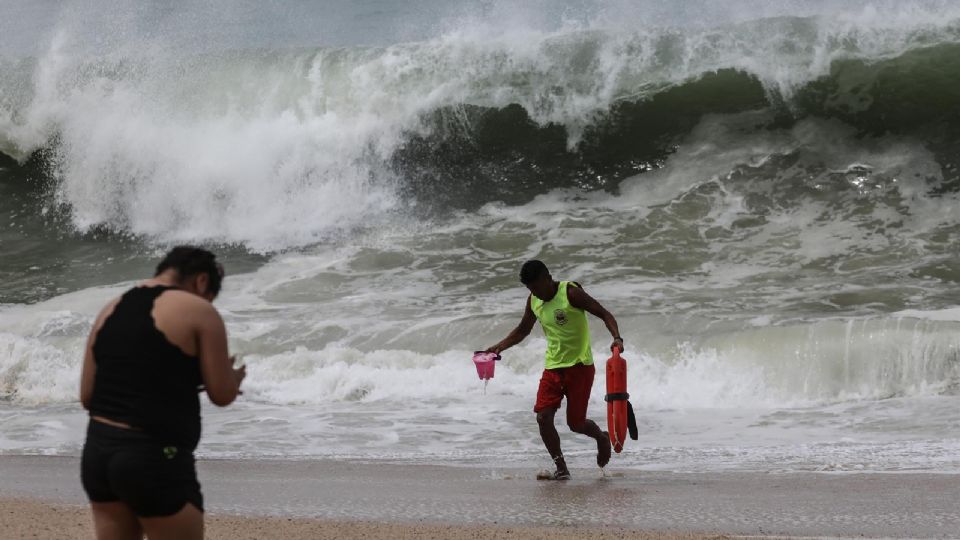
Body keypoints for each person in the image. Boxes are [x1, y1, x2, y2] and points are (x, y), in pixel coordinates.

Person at [79, 246, 246, 540]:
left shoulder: (111, 308)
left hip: (98, 454)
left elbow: (88, 395)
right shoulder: (199, 311)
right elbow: (222, 394)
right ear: (202, 282)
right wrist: (232, 378)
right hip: (153, 458)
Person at [486, 260, 622, 480]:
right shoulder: (534, 300)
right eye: (531, 289)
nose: (536, 293)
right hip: (553, 367)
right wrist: (499, 346)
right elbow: (523, 330)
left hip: (580, 367)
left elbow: (604, 314)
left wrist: (616, 338)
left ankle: (601, 438)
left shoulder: (570, 293)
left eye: (538, 287)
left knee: (576, 424)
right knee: (543, 417)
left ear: (548, 277)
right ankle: (561, 467)